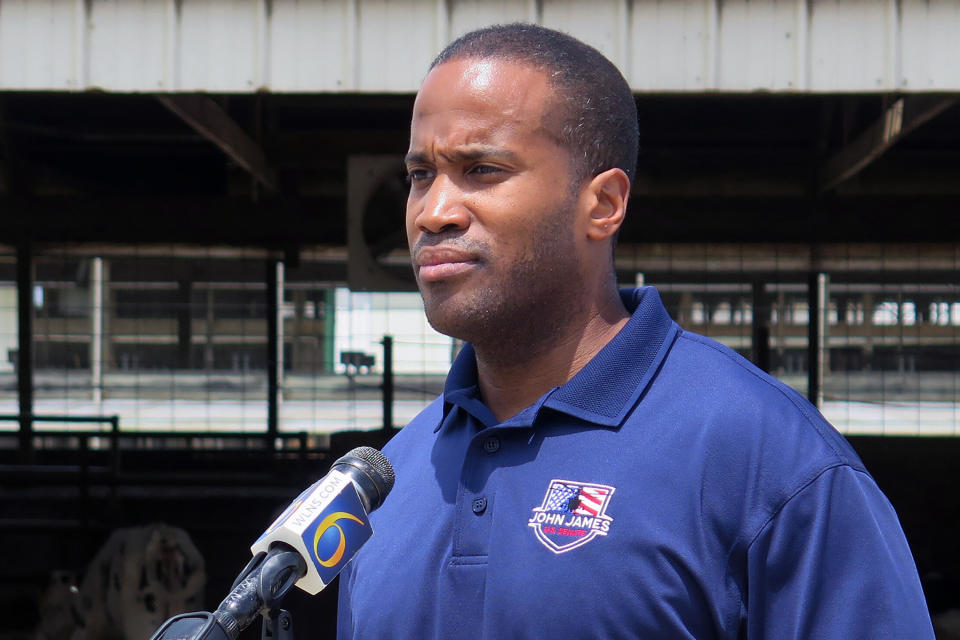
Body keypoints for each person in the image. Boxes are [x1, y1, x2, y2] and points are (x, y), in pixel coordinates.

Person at [337, 23, 934, 639]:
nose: (434, 212)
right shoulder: (390, 478)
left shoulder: (769, 461)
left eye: (482, 169)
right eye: (419, 175)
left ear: (603, 205)